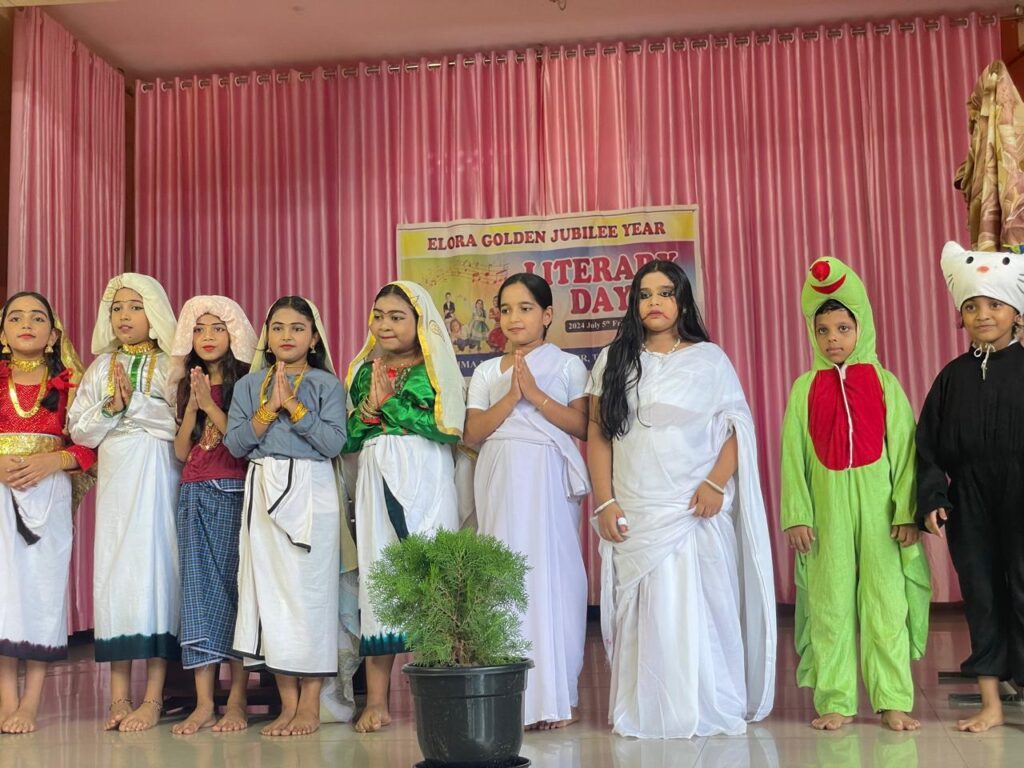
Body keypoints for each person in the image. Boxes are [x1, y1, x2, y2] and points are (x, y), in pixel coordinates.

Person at [587, 259, 775, 738]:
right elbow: (599, 435)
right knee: (647, 613)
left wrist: (716, 483)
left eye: (665, 293)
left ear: (683, 302)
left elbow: (738, 429)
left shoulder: (710, 359)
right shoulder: (613, 360)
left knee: (705, 607)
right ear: (634, 304)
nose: (654, 302)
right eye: (645, 294)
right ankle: (649, 710)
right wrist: (605, 502)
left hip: (696, 508)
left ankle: (710, 704)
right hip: (637, 507)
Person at [781, 257, 931, 731]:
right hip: (827, 512)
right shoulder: (804, 389)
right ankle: (836, 699)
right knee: (830, 602)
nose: (833, 340)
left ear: (860, 327)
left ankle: (893, 699)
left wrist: (907, 511)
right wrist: (797, 513)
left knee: (887, 602)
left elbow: (906, 450)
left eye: (843, 329)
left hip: (881, 510)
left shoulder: (885, 383)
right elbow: (792, 457)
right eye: (823, 330)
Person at [463, 273, 589, 730]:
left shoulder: (569, 367)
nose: (513, 318)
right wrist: (512, 397)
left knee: (554, 577)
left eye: (525, 308)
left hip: (547, 476)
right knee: (504, 577)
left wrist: (535, 395)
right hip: (499, 476)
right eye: (506, 309)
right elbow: (472, 433)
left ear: (547, 314)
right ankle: (511, 699)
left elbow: (583, 426)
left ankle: (556, 697)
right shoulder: (485, 372)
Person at [225, 296, 355, 737]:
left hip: (314, 490)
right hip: (263, 486)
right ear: (267, 335)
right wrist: (268, 409)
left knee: (312, 596)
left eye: (297, 328)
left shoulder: (326, 385)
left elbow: (334, 444)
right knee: (273, 597)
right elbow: (236, 444)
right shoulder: (249, 385)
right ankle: (288, 704)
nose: (286, 336)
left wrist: (295, 408)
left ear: (313, 338)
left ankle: (311, 704)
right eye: (278, 327)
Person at [344, 281, 464, 733]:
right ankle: (377, 700)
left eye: (397, 317)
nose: (385, 325)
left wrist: (388, 405)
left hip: (426, 476)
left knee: (432, 577)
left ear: (419, 322)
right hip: (376, 478)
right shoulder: (362, 372)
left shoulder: (435, 369)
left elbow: (446, 426)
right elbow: (349, 437)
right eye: (379, 316)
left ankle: (440, 693)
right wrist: (370, 412)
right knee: (379, 581)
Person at [917, 241, 1024, 733]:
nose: (983, 315)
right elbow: (927, 448)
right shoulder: (951, 379)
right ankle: (991, 704)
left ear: (1015, 312)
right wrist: (933, 497)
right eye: (972, 306)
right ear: (960, 316)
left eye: (994, 304)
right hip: (971, 503)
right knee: (981, 596)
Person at [68, 273, 181, 732]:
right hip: (116, 477)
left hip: (158, 474)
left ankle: (153, 698)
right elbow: (79, 430)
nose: (124, 316)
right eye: (117, 308)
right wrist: (111, 407)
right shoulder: (99, 369)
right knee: (116, 575)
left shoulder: (171, 366)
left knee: (157, 572)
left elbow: (179, 425)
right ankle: (118, 697)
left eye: (135, 306)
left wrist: (133, 404)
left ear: (153, 314)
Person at [0, 292, 96, 734]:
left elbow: (91, 447)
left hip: (49, 496)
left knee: (42, 590)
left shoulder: (72, 383)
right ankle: (7, 699)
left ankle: (31, 702)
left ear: (54, 335)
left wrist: (52, 461)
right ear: (3, 333)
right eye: (16, 318)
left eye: (37, 318)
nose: (26, 324)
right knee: (3, 593)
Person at [168, 296, 257, 735]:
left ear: (233, 334)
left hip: (232, 490)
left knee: (235, 593)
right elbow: (182, 452)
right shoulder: (190, 384)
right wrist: (192, 407)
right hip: (193, 491)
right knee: (198, 595)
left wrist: (210, 405)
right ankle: (204, 703)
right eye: (199, 329)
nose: (207, 336)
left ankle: (237, 700)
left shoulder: (248, 384)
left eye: (217, 328)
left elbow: (241, 443)